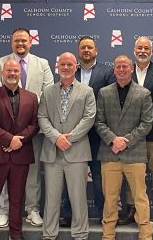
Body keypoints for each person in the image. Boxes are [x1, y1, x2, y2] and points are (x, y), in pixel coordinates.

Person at [0, 27, 54, 228]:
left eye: (24, 41)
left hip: (32, 130)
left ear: (31, 42)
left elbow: (48, 94)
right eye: (17, 40)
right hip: (5, 131)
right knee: (4, 172)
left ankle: (32, 209)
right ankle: (3, 211)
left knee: (32, 172)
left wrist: (25, 130)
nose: (20, 44)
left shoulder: (42, 64)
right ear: (11, 43)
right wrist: (9, 137)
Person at [95, 55, 153, 240]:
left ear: (131, 69)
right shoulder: (104, 92)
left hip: (135, 153)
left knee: (140, 198)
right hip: (110, 153)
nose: (121, 69)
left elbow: (146, 124)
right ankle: (108, 235)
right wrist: (113, 140)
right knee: (110, 199)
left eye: (125, 66)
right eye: (118, 66)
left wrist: (125, 141)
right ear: (114, 69)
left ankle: (145, 235)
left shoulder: (144, 93)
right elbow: (98, 122)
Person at [38, 52, 96, 240]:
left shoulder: (87, 91)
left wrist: (68, 139)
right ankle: (49, 235)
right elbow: (42, 117)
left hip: (76, 152)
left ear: (76, 67)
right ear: (57, 67)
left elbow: (89, 118)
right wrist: (56, 138)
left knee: (78, 198)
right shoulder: (48, 92)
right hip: (52, 152)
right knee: (51, 199)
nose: (65, 67)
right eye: (62, 64)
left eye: (69, 64)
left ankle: (80, 234)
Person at [59, 36, 115, 227]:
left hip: (98, 133)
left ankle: (103, 213)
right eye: (83, 47)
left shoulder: (107, 72)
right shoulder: (69, 71)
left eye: (90, 47)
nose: (86, 50)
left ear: (96, 51)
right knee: (71, 174)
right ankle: (68, 213)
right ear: (78, 51)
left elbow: (110, 101)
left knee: (99, 176)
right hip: (73, 133)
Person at [0, 60, 40, 240]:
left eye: (16, 70)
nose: (13, 73)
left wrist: (17, 141)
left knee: (17, 199)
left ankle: (16, 234)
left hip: (20, 156)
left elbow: (35, 125)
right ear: (2, 73)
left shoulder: (31, 97)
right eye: (9, 70)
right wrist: (9, 139)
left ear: (20, 73)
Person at [118, 37, 153, 227]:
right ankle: (132, 210)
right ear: (134, 50)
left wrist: (144, 115)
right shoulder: (125, 70)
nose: (142, 51)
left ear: (152, 51)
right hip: (130, 133)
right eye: (139, 47)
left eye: (146, 48)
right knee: (132, 173)